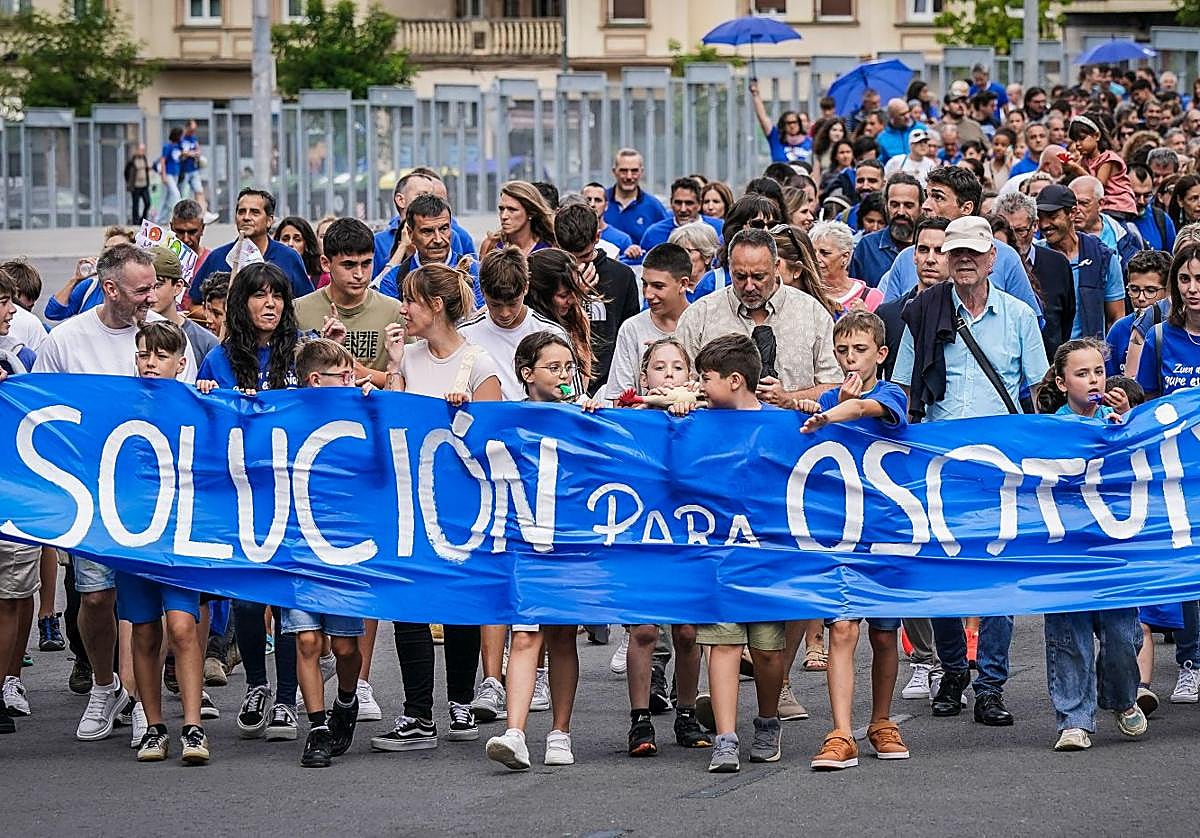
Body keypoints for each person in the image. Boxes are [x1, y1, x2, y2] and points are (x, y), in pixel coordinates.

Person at [31, 245, 198, 742]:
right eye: (142, 290)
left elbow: (186, 406)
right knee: (98, 596)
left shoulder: (167, 336)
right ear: (110, 290)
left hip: (158, 497)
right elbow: (37, 414)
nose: (154, 297)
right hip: (93, 498)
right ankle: (104, 686)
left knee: (153, 603)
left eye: (154, 287)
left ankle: (147, 705)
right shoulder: (66, 340)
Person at [892, 216, 1049, 725]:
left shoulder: (1020, 316)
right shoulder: (922, 312)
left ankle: (991, 685)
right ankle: (954, 668)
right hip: (938, 464)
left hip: (1001, 467)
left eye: (972, 253)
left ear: (991, 260)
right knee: (943, 569)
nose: (962, 259)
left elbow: (1040, 394)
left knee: (998, 578)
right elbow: (903, 389)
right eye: (954, 251)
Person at [372, 263, 501, 753]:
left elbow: (493, 440)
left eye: (410, 300)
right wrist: (392, 366)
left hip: (460, 502)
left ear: (436, 306)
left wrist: (464, 411)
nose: (402, 309)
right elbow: (395, 426)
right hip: (409, 498)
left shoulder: (478, 362)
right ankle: (417, 712)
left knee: (457, 603)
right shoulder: (408, 356)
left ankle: (461, 704)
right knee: (408, 604)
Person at [195, 262, 308, 742]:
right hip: (237, 496)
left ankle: (286, 699)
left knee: (284, 596)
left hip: (288, 494)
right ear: (242, 304)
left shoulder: (299, 355)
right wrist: (202, 396)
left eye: (277, 295)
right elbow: (197, 423)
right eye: (258, 295)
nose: (269, 304)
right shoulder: (219, 361)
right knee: (245, 594)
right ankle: (256, 688)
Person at [797, 310, 911, 770]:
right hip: (839, 535)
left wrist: (830, 412)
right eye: (842, 350)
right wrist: (809, 408)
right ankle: (841, 731)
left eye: (859, 350)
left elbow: (862, 409)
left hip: (885, 532)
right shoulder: (828, 395)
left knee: (885, 636)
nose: (850, 358)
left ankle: (881, 721)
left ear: (880, 354)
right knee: (842, 629)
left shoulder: (890, 394)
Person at [484, 332, 601, 771]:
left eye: (568, 367)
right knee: (525, 633)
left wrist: (592, 415)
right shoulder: (509, 417)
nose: (563, 375)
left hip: (571, 539)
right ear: (527, 374)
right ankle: (514, 732)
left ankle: (560, 732)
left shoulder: (583, 414)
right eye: (553, 367)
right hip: (525, 538)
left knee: (562, 636)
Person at [1034, 338, 1146, 752]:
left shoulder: (1119, 421)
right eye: (1082, 373)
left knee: (1122, 634)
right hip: (1066, 548)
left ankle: (1120, 697)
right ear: (1063, 383)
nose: (1093, 380)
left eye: (1098, 371)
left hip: (1116, 547)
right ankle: (1074, 718)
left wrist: (1131, 425)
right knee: (1069, 632)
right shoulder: (1049, 430)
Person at [684, 333, 787, 774]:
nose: (697, 385)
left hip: (767, 559)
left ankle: (767, 719)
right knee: (721, 646)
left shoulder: (781, 425)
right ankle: (725, 736)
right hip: (718, 555)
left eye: (704, 378)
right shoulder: (699, 421)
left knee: (766, 651)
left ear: (735, 380)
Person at [117, 320, 210, 764]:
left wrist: (213, 401)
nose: (149, 362)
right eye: (142, 354)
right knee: (144, 630)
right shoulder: (117, 402)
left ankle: (192, 726)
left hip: (180, 534)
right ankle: (153, 725)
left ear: (181, 362)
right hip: (130, 536)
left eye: (159, 355)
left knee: (182, 626)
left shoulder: (198, 400)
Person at [287, 338, 368, 768]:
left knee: (345, 647)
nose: (353, 381)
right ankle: (317, 727)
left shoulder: (360, 414)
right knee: (306, 639)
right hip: (299, 546)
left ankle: (347, 701)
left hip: (343, 546)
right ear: (316, 380)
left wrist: (375, 404)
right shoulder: (284, 413)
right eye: (345, 375)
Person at [676, 227, 841, 408]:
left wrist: (790, 398)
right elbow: (679, 385)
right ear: (729, 268)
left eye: (758, 276)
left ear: (776, 267)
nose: (749, 286)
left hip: (793, 432)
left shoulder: (812, 313)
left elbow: (835, 386)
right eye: (740, 276)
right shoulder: (700, 315)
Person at [879, 167, 1043, 319]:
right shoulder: (907, 257)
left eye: (938, 197)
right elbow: (891, 320)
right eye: (926, 196)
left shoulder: (1005, 256)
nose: (926, 206)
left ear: (966, 208)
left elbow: (1030, 321)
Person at [0, 267, 40, 732]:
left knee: (11, 594)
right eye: (5, 304)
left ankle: (5, 680)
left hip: (15, 498)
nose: (12, 312)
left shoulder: (20, 360)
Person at [296, 217, 404, 390]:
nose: (359, 274)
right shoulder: (299, 311)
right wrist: (326, 356)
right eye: (349, 265)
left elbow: (410, 382)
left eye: (366, 263)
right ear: (325, 263)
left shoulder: (394, 311)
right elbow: (291, 381)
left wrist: (360, 372)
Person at [459, 246, 575, 402]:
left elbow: (573, 396)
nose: (504, 313)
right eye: (495, 305)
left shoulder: (553, 333)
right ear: (482, 291)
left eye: (513, 303)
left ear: (526, 287)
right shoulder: (465, 336)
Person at [555, 202, 640, 394]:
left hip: (608, 382)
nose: (577, 265)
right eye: (570, 257)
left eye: (584, 257)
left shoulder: (621, 276)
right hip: (560, 381)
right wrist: (573, 294)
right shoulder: (547, 275)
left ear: (597, 237)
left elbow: (628, 332)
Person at [189, 188, 313, 304]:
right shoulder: (218, 257)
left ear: (269, 220)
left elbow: (306, 304)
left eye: (255, 212)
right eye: (241, 212)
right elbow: (193, 304)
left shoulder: (289, 257)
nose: (246, 217)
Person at [1035, 184, 1125, 338]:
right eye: (1040, 217)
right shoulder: (1034, 258)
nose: (1044, 225)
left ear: (1072, 213)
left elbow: (1116, 318)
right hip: (1048, 357)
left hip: (1090, 355)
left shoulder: (1102, 257)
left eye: (1052, 217)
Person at [994, 190, 1075, 359]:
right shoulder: (990, 268)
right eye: (1008, 232)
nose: (1014, 239)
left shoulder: (1057, 264)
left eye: (1021, 230)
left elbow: (1067, 318)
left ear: (1035, 225)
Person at [603, 243, 690, 400]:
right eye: (645, 284)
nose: (648, 294)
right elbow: (621, 401)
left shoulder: (703, 324)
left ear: (683, 284)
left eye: (658, 286)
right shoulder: (632, 328)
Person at [876, 216, 950, 382]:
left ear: (953, 256)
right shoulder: (887, 314)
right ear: (914, 255)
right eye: (923, 250)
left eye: (940, 251)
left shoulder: (964, 313)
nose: (930, 259)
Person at [376, 194, 481, 305]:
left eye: (443, 229)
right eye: (427, 231)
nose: (438, 239)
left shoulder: (474, 272)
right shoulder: (394, 280)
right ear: (410, 234)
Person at [44, 225, 136, 322]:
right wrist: (75, 280)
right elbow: (53, 312)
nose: (109, 254)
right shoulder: (91, 286)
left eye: (117, 249)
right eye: (106, 249)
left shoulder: (142, 288)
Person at [147, 245, 218, 367]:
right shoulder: (130, 332)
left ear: (178, 287)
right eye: (144, 286)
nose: (150, 294)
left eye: (158, 285)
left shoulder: (205, 342)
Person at [850, 173, 922, 288]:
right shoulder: (867, 247)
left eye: (908, 206)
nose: (901, 212)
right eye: (895, 205)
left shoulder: (929, 249)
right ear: (885, 206)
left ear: (921, 208)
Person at [1106, 250, 1170, 376]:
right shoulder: (1119, 329)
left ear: (1168, 291)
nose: (1141, 297)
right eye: (1134, 289)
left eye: (1150, 290)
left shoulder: (1177, 329)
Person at [1061, 115, 1137, 219]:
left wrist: (1076, 168)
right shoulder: (1085, 159)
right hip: (1102, 205)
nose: (1077, 144)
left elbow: (1098, 186)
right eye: (1075, 140)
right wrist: (1067, 165)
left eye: (1082, 138)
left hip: (1118, 206)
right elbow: (1073, 174)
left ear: (1096, 136)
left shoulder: (1108, 159)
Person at [1069, 176, 1145, 270]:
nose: (1076, 210)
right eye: (1072, 204)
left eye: (1083, 203)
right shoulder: (1056, 236)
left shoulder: (1123, 235)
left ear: (1101, 204)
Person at [810, 220, 883, 314]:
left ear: (845, 257)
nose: (816, 259)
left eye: (825, 253)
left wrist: (863, 318)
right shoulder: (804, 292)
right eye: (812, 252)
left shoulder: (871, 297)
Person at [604, 148, 670, 245]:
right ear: (614, 171)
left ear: (641, 172)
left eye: (634, 171)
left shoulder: (653, 207)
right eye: (624, 171)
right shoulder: (600, 202)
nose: (629, 177)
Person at [639, 177, 723, 252]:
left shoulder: (719, 229)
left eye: (689, 203)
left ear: (699, 204)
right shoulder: (653, 233)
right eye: (678, 203)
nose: (683, 209)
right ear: (671, 202)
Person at [481, 180, 556, 258]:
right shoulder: (491, 245)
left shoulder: (551, 247)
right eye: (501, 209)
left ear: (530, 212)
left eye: (512, 209)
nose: (504, 216)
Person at [751, 81, 813, 164]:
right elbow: (763, 118)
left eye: (795, 122)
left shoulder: (810, 142)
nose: (792, 126)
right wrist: (755, 94)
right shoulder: (776, 137)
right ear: (783, 125)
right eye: (789, 123)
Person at [582, 181, 636, 262]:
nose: (592, 204)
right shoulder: (571, 234)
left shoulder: (622, 240)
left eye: (598, 200)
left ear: (606, 205)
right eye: (588, 199)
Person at [668, 221, 720, 300]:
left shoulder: (719, 285)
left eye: (689, 251)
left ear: (707, 257)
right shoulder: (666, 288)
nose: (680, 257)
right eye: (678, 251)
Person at [1131, 165, 1177, 253]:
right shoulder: (1112, 222)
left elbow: (1173, 260)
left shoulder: (1162, 219)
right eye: (1136, 195)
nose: (1141, 201)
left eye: (1147, 195)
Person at [178, 120, 215, 222]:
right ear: (187, 128)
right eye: (192, 129)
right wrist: (190, 153)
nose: (193, 131)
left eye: (195, 129)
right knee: (183, 194)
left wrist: (193, 153)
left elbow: (198, 150)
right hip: (184, 171)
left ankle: (204, 213)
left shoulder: (193, 138)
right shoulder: (181, 139)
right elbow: (181, 153)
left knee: (199, 191)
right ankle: (182, 216)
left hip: (194, 170)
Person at [276, 216, 325, 289]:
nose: (290, 244)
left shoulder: (322, 275)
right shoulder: (268, 272)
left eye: (297, 239)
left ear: (306, 244)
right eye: (285, 239)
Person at [156, 127, 183, 223]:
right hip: (168, 174)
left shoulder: (178, 146)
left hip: (176, 174)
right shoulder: (168, 147)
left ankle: (161, 218)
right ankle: (178, 216)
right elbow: (163, 160)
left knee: (166, 197)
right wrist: (163, 174)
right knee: (176, 194)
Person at [124, 143, 152, 224]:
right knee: (135, 204)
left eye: (144, 150)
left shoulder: (144, 159)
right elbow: (126, 172)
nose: (143, 151)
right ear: (137, 150)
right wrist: (129, 182)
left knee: (148, 203)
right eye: (141, 150)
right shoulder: (132, 160)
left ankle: (143, 219)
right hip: (136, 186)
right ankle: (135, 220)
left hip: (144, 185)